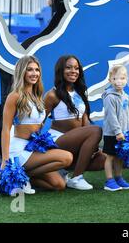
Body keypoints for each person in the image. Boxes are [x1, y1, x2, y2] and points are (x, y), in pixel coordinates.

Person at [1, 55, 73, 192]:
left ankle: (24, 177)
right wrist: (5, 159)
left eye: (37, 70)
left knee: (59, 185)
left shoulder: (37, 96)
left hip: (32, 148)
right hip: (19, 150)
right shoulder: (14, 96)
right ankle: (17, 173)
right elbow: (5, 129)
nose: (34, 73)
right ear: (22, 72)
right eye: (30, 70)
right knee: (67, 158)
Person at [44, 55, 106, 190]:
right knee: (96, 130)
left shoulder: (80, 92)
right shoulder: (52, 95)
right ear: (60, 70)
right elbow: (39, 120)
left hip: (75, 143)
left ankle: (63, 170)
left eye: (77, 68)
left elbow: (85, 122)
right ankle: (77, 178)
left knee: (104, 159)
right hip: (58, 140)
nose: (73, 71)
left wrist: (93, 146)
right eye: (69, 67)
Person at [102, 65, 129, 191]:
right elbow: (111, 117)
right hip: (112, 134)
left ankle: (119, 178)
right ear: (110, 80)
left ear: (126, 80)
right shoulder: (109, 97)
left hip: (125, 133)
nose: (118, 82)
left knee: (119, 157)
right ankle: (109, 180)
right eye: (115, 78)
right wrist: (118, 132)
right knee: (110, 156)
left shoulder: (126, 97)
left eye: (122, 78)